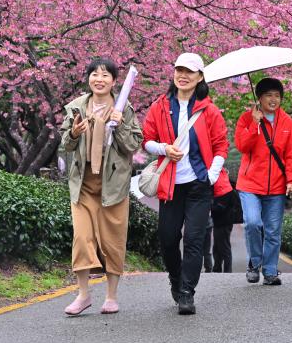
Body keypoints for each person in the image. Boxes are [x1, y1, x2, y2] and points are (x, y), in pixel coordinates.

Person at [142, 52, 232, 315]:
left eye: (189, 71)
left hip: (198, 185)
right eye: (179, 70)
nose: (183, 75)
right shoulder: (160, 106)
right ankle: (175, 278)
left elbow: (221, 146)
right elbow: (146, 139)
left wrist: (210, 176)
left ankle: (187, 292)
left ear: (200, 77)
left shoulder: (208, 109)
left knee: (194, 239)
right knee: (168, 238)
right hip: (170, 184)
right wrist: (164, 148)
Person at [60, 58, 143, 316]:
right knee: (82, 238)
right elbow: (66, 143)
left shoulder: (123, 108)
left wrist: (119, 126)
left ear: (114, 81)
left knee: (112, 240)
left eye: (105, 75)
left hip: (113, 184)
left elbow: (133, 145)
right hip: (83, 183)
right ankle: (83, 295)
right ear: (88, 79)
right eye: (94, 74)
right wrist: (74, 133)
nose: (99, 79)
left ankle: (111, 296)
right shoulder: (76, 107)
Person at [235, 78, 292, 286]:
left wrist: (291, 181)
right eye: (268, 95)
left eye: (277, 95)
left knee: (273, 230)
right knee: (253, 223)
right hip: (250, 184)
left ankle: (270, 270)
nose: (273, 100)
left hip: (277, 186)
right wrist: (254, 123)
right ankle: (255, 263)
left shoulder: (288, 123)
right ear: (260, 98)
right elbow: (242, 146)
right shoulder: (246, 119)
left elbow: (290, 156)